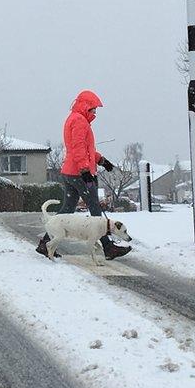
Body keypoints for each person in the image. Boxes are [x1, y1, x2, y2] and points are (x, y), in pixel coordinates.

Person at [36, 89, 132, 260]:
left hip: (70, 172)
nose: (95, 112)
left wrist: (101, 160)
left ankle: (45, 243)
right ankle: (108, 247)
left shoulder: (75, 119)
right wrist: (85, 170)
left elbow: (86, 150)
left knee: (67, 209)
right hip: (79, 173)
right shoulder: (79, 121)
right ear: (85, 106)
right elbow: (78, 147)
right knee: (95, 209)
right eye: (93, 109)